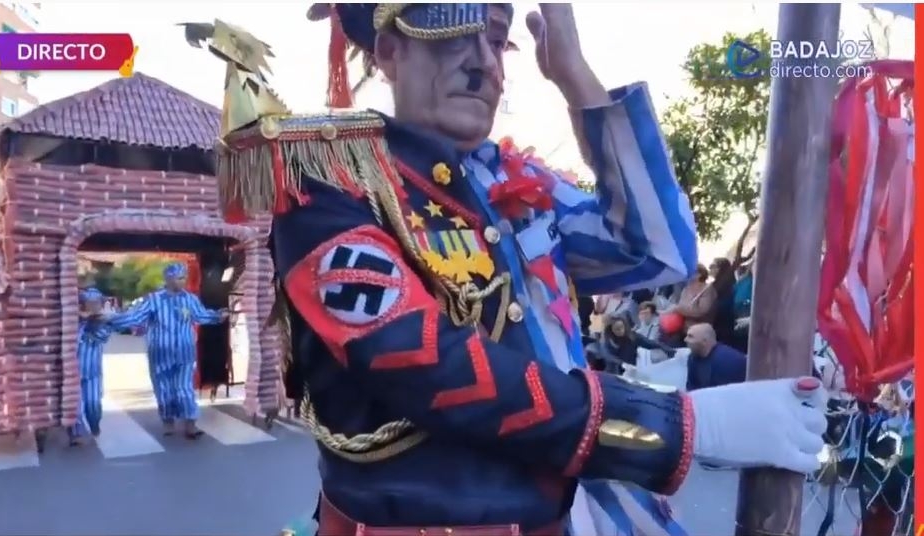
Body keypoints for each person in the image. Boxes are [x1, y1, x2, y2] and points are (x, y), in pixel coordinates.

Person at [237, 4, 828, 535]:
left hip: (558, 513)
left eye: (497, 40)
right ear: (390, 49)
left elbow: (659, 250)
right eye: (451, 31)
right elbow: (427, 368)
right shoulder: (330, 179)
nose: (482, 66)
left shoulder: (516, 182)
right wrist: (685, 425)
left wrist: (574, 75)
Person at [111, 262, 229, 439]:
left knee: (184, 388)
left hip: (184, 352)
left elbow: (201, 315)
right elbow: (135, 317)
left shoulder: (190, 299)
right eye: (179, 278)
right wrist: (110, 320)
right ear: (168, 278)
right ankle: (168, 421)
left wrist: (218, 315)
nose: (182, 282)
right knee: (163, 388)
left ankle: (191, 424)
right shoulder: (153, 300)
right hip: (160, 354)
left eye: (184, 278)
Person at [69, 287, 117, 446]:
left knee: (93, 404)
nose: (92, 306)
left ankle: (95, 424)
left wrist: (92, 320)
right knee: (74, 405)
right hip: (72, 373)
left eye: (96, 303)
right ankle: (76, 433)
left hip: (93, 373)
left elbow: (101, 336)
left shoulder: (103, 323)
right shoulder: (72, 322)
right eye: (88, 303)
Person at [683, 323, 748, 391]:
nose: (685, 339)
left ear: (704, 341)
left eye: (690, 336)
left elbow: (726, 394)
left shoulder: (727, 361)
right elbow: (691, 389)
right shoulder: (693, 358)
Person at [668, 264, 717, 332]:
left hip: (698, 331)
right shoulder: (687, 288)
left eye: (691, 272)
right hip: (680, 327)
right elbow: (681, 304)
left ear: (699, 275)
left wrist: (677, 309)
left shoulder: (707, 290)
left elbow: (702, 311)